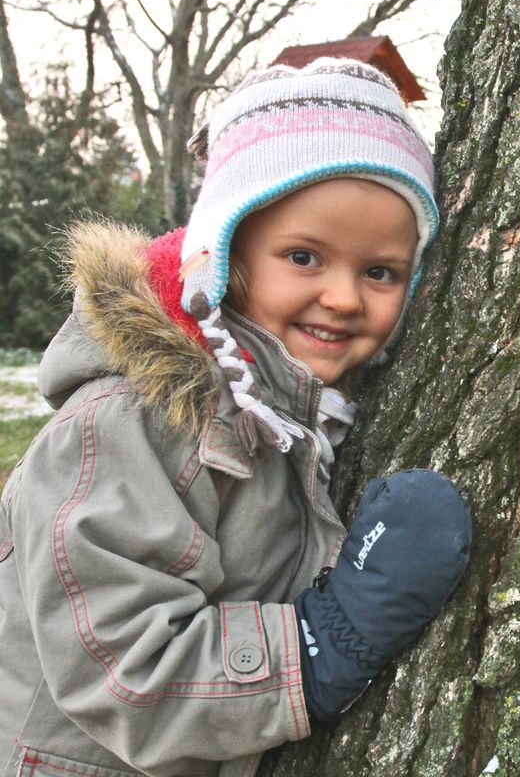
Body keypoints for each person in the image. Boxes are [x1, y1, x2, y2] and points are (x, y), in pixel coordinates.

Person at [0, 58, 471, 776]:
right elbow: (123, 668)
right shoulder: (128, 422)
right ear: (223, 256)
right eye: (304, 256)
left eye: (381, 271)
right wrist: (318, 649)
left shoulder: (296, 408)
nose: (345, 297)